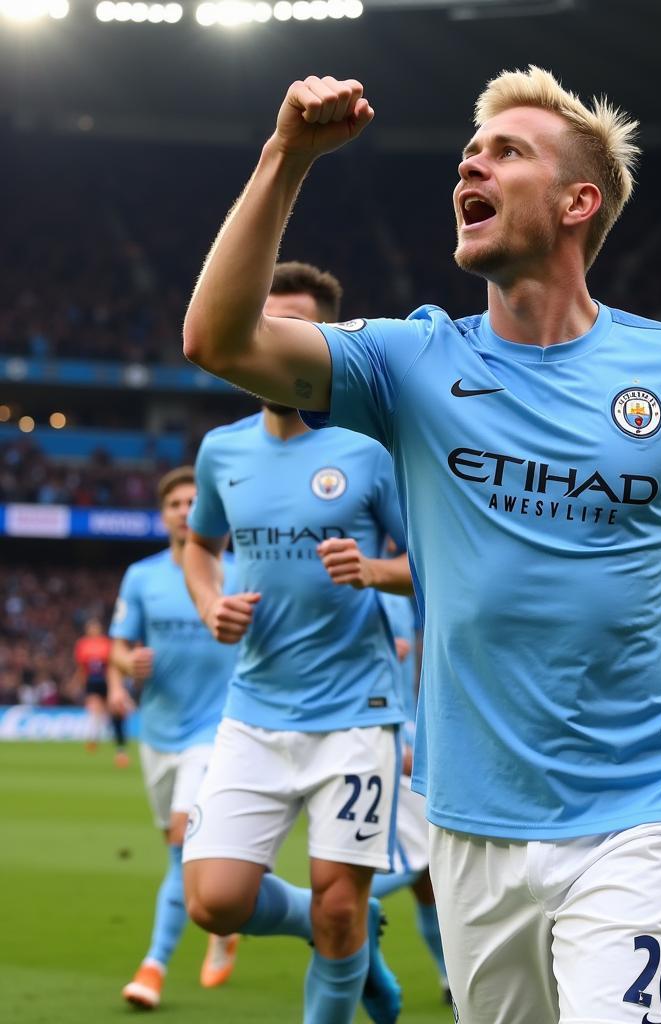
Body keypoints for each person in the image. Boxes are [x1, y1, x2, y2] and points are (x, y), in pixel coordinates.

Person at [182, 69, 661, 1022]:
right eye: (472, 149)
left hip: (644, 810)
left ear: (578, 201)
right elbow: (218, 340)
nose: (473, 159)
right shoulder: (410, 361)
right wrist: (285, 158)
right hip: (473, 821)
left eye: (508, 150)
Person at [181, 261, 410, 1024]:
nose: (271, 343)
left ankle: (342, 939)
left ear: (323, 341)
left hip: (355, 711)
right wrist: (210, 602)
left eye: (291, 330)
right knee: (215, 902)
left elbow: (442, 562)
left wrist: (376, 569)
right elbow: (200, 546)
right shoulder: (222, 452)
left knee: (339, 902)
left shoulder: (371, 449)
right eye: (260, 327)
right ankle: (346, 936)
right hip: (254, 707)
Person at [107, 465, 241, 1009]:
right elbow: (118, 646)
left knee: (180, 844)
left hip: (216, 731)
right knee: (178, 846)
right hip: (157, 733)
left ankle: (153, 966)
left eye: (194, 502)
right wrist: (126, 666)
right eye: (176, 504)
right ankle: (228, 915)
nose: (186, 511)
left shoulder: (240, 571)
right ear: (162, 515)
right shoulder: (141, 577)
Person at [373, 590, 448, 1002]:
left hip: (410, 736)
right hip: (373, 738)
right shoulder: (345, 582)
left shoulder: (403, 591)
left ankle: (448, 978)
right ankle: (326, 911)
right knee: (417, 859)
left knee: (427, 881)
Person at [73, 616, 127, 765]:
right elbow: (82, 667)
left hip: (108, 683)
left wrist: (117, 685)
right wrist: (80, 683)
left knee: (115, 714)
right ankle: (93, 738)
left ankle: (120, 750)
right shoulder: (82, 644)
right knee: (94, 709)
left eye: (95, 627)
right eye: (90, 627)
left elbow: (113, 665)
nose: (93, 629)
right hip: (92, 683)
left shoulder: (107, 644)